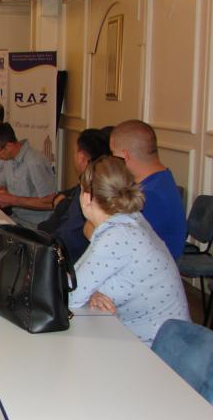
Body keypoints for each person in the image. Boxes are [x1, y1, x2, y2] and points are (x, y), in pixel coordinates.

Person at [69, 156, 190, 346]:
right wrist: (91, 292)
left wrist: (85, 291)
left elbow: (68, 295)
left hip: (157, 351)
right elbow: (78, 283)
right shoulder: (130, 219)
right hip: (168, 341)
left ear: (86, 198)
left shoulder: (116, 237)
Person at [109, 120, 186, 260]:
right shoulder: (159, 180)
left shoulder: (151, 195)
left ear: (125, 156)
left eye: (113, 153)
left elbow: (117, 242)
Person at [38, 128, 111, 261]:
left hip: (61, 257)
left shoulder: (88, 192)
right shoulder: (96, 181)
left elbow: (68, 238)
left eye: (74, 152)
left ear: (81, 157)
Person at [0, 122, 57, 228]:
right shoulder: (8, 159)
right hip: (16, 219)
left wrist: (13, 200)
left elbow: (51, 202)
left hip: (37, 225)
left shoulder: (34, 161)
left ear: (9, 146)